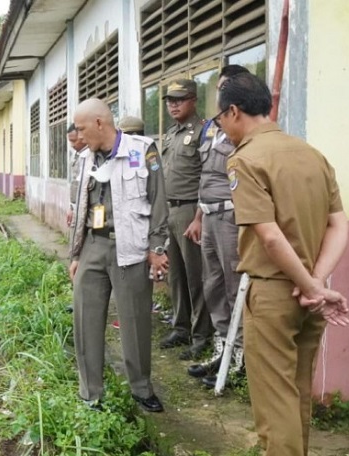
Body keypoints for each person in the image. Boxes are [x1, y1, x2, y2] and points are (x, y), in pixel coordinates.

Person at [221, 72, 349, 456]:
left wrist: (310, 287)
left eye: (221, 119)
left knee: (275, 408)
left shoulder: (245, 160)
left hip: (276, 293)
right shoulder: (312, 155)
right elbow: (338, 224)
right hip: (310, 294)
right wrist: (316, 282)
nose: (223, 127)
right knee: (295, 397)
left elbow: (270, 236)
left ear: (233, 111)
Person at [69, 98, 169, 413]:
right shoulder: (84, 159)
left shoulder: (143, 150)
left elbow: (159, 202)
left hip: (131, 247)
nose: (80, 136)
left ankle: (141, 388)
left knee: (135, 321)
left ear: (100, 123)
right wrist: (75, 254)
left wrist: (156, 249)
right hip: (93, 246)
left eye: (83, 129)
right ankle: (90, 394)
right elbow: (80, 209)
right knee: (85, 320)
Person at [187, 65, 250, 387]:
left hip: (230, 216)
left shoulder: (246, 129)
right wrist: (197, 217)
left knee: (231, 284)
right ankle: (221, 349)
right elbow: (205, 176)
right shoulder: (212, 128)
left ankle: (239, 359)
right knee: (211, 284)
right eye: (218, 88)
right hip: (208, 215)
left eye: (226, 88)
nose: (220, 95)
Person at [158, 79, 212, 360]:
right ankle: (180, 327)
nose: (173, 105)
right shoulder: (170, 135)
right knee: (175, 275)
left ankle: (201, 335)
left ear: (193, 100)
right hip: (170, 211)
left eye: (179, 99)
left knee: (196, 276)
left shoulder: (204, 132)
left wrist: (200, 216)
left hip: (191, 212)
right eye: (169, 100)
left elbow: (209, 176)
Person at [67, 123, 89, 227]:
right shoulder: (77, 155)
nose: (72, 145)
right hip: (75, 206)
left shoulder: (90, 156)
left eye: (74, 140)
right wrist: (71, 207)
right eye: (70, 141)